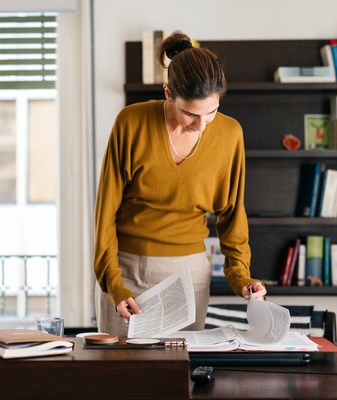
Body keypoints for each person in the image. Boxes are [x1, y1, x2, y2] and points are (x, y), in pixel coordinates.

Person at [94, 31, 266, 337]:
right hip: (127, 271)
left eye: (211, 112)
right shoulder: (130, 123)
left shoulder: (230, 135)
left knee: (180, 377)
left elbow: (231, 215)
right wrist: (114, 285)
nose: (201, 125)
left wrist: (241, 276)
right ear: (168, 93)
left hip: (190, 277)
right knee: (121, 376)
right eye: (190, 113)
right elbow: (105, 213)